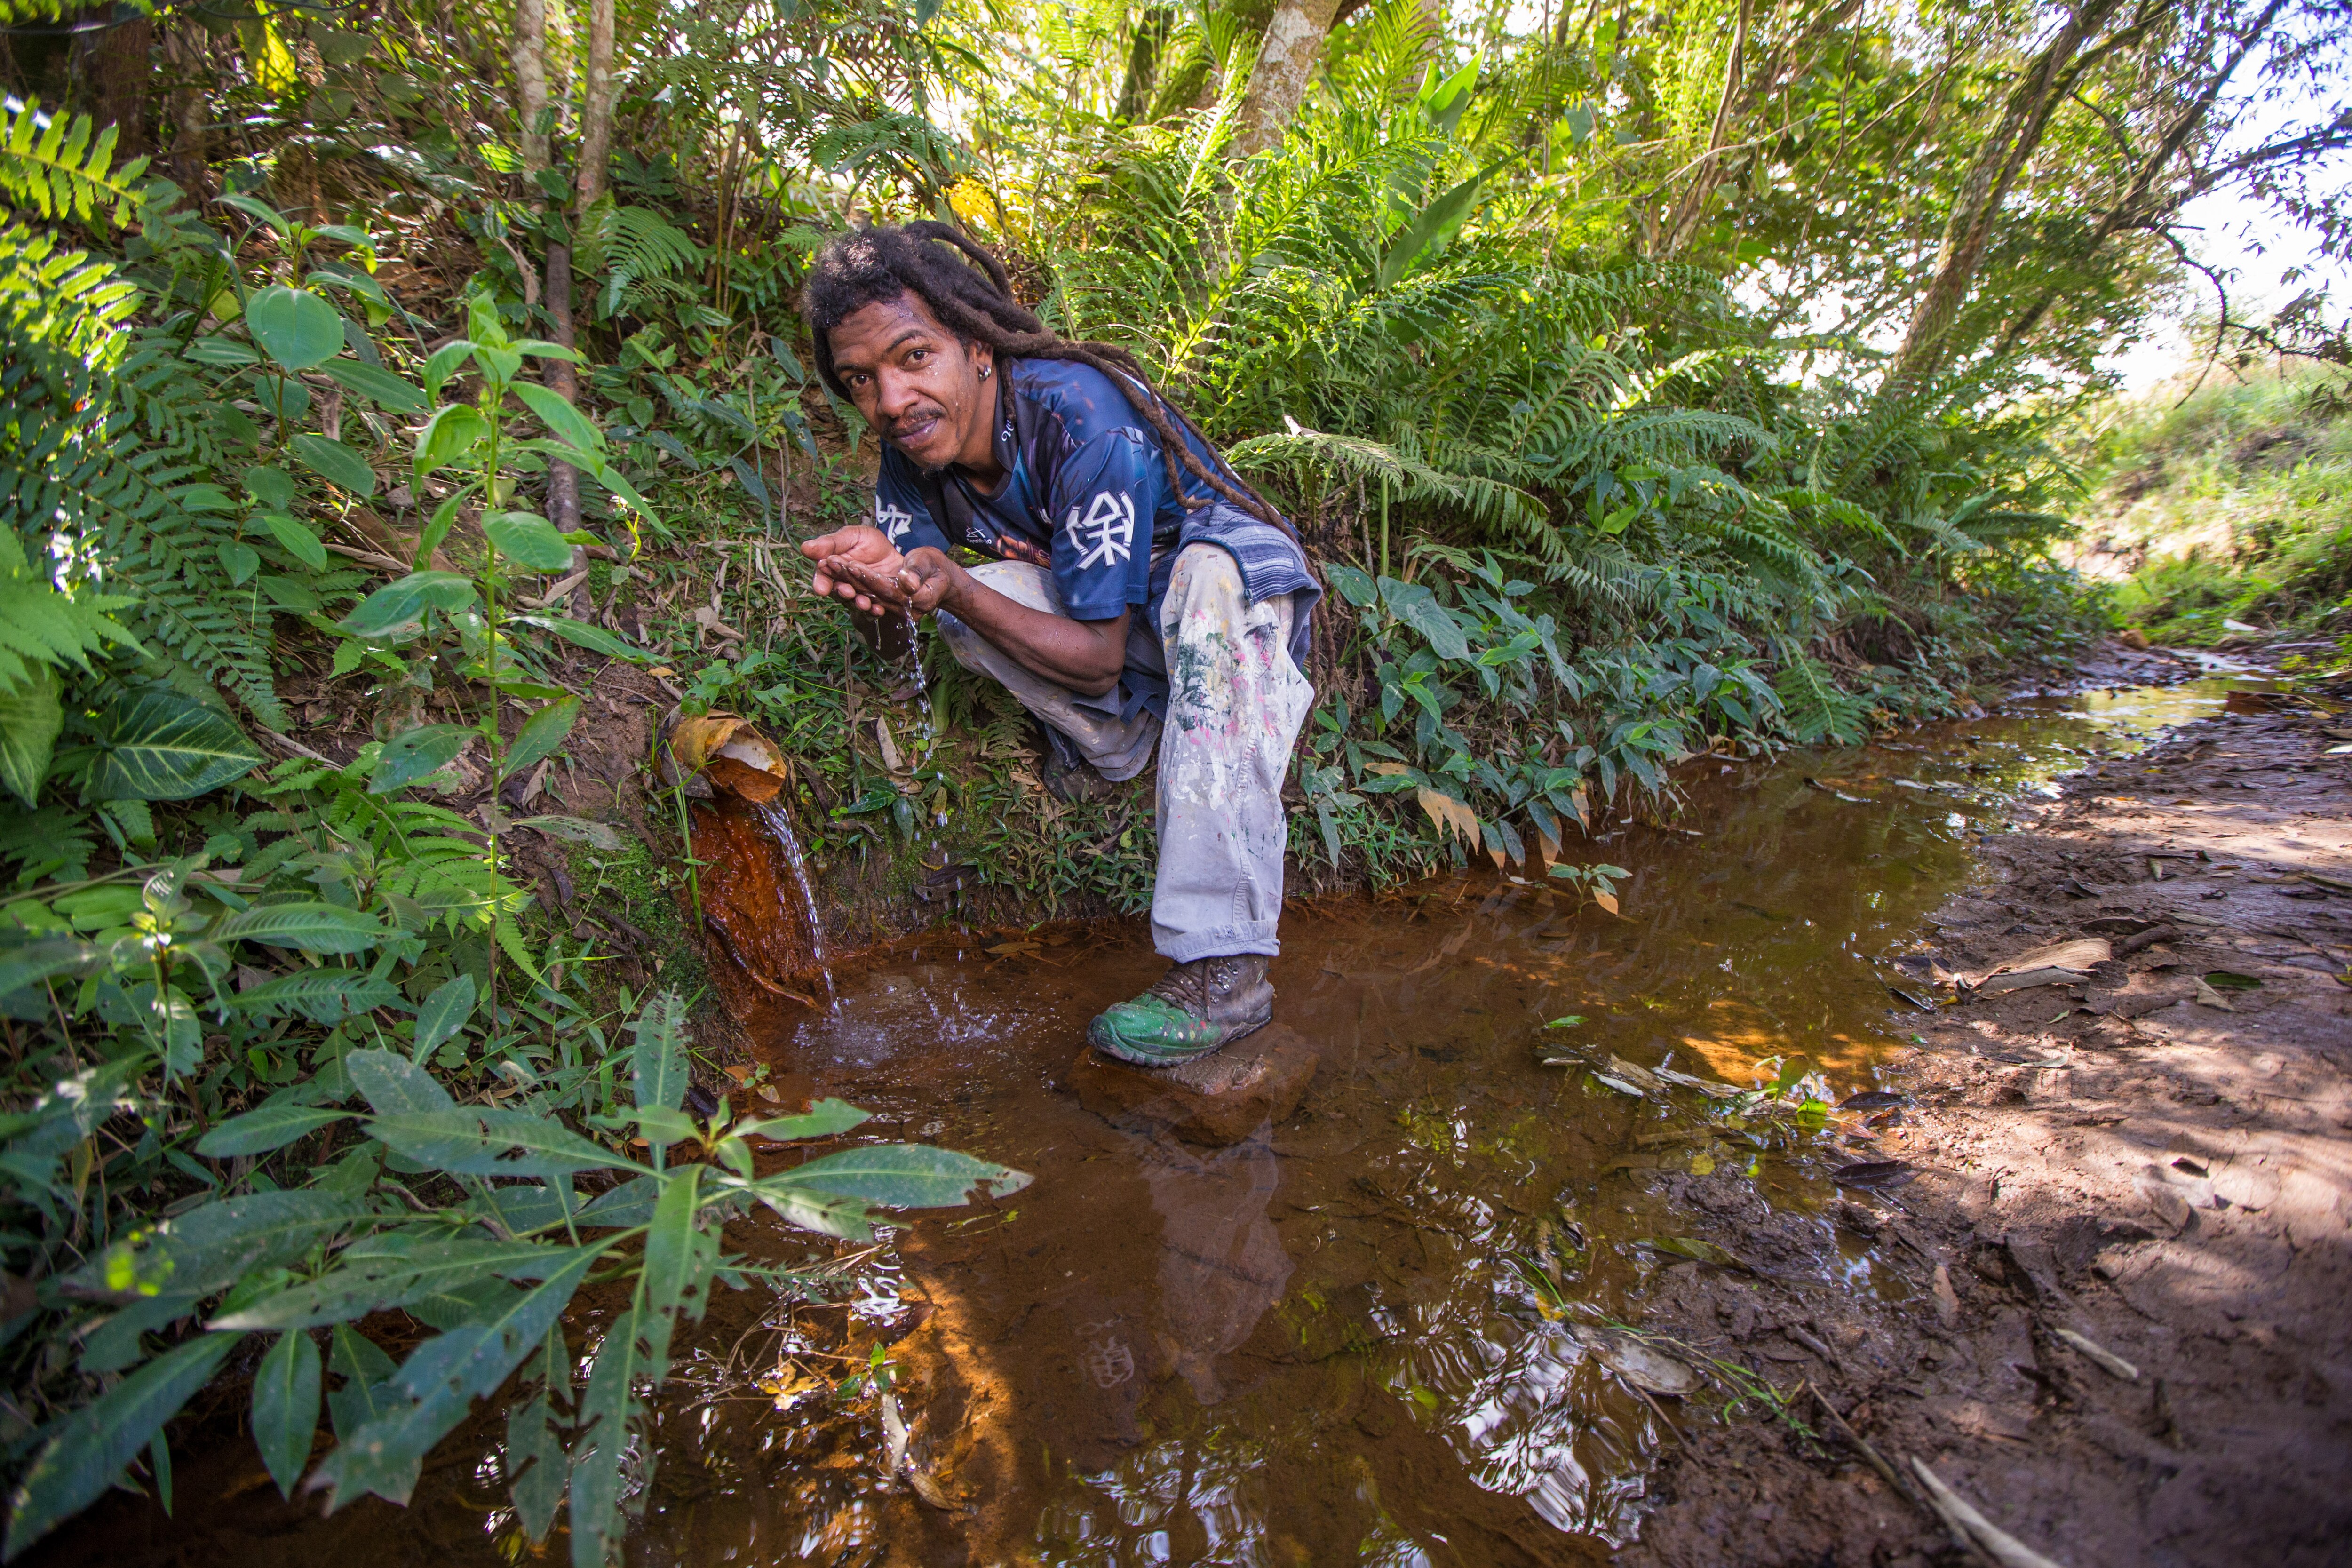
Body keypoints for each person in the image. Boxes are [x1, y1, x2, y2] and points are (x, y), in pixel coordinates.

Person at [794, 222, 1319, 1068]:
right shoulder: (913, 452)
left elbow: (1100, 653)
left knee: (1205, 587)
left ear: (979, 349)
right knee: (972, 600)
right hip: (1121, 612)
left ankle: (1229, 971)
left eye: (913, 357)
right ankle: (1119, 743)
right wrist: (879, 591)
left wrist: (953, 581)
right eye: (862, 380)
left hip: (1228, 603)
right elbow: (905, 639)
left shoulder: (1082, 417)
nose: (890, 401)